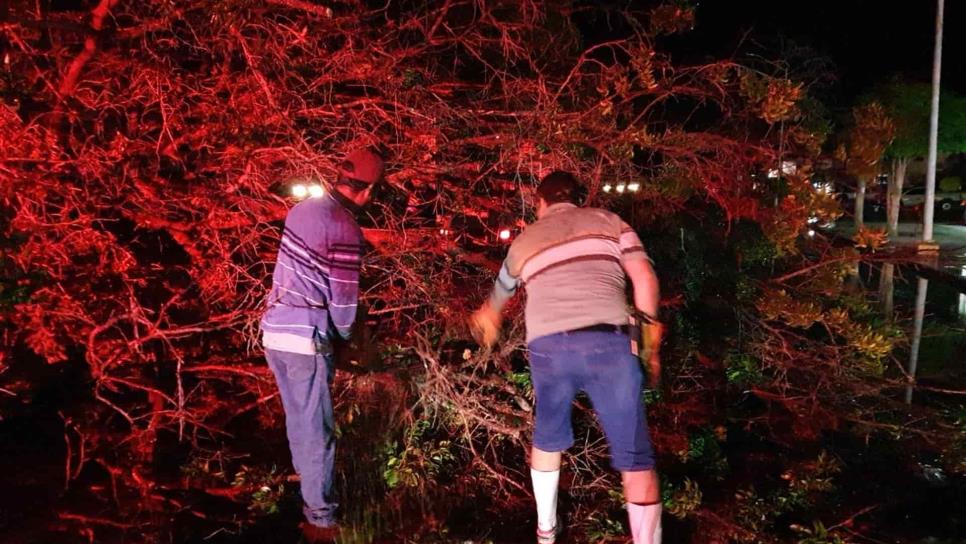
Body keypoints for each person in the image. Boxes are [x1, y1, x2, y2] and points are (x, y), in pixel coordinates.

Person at [471, 171, 664, 544]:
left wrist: (487, 318)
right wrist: (649, 343)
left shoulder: (524, 241)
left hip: (549, 348)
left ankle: (545, 530)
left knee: (547, 438)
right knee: (636, 457)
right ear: (578, 198)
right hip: (609, 343)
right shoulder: (610, 221)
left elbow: (497, 300)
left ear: (539, 203)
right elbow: (644, 278)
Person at [260, 148, 383, 535]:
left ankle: (309, 499)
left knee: (299, 422)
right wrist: (348, 339)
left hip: (275, 334)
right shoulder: (344, 226)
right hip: (305, 338)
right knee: (317, 431)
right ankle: (321, 519)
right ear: (369, 190)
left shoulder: (302, 210)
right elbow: (344, 302)